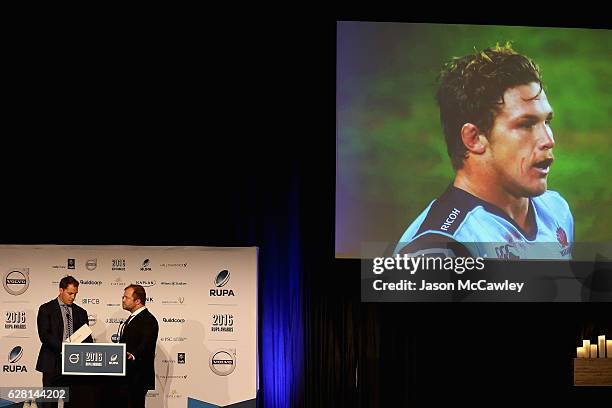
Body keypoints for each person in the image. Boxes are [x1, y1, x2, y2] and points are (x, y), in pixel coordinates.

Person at [393, 43, 573, 260]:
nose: (548, 140)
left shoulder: (555, 211)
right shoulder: (440, 250)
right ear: (474, 138)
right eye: (526, 124)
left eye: (547, 121)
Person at [36, 275, 93, 408]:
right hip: (52, 361)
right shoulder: (46, 309)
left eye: (75, 294)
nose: (73, 297)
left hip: (74, 363)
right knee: (50, 402)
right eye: (70, 293)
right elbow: (44, 335)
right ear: (61, 290)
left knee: (73, 400)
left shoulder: (81, 312)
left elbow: (87, 338)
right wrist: (65, 348)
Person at [119, 284, 159, 408]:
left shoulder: (148, 319)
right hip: (127, 376)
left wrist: (133, 354)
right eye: (123, 297)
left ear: (137, 301)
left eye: (126, 297)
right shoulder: (132, 318)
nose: (123, 300)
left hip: (137, 376)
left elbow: (147, 343)